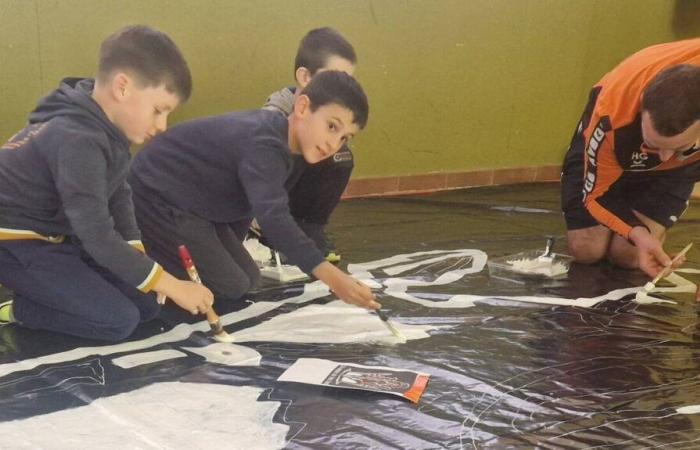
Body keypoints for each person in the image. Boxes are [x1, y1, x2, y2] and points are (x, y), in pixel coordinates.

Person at [0, 25, 214, 342]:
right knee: (116, 321)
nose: (162, 126)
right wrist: (169, 283)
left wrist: (141, 260)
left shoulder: (105, 129)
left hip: (56, 237)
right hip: (16, 243)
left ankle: (54, 294)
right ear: (123, 87)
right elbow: (96, 234)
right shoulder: (77, 137)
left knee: (145, 305)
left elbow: (118, 195)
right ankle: (18, 309)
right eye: (159, 110)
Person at [129, 70, 379, 310]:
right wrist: (334, 279)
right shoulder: (265, 144)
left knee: (248, 278)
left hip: (197, 205)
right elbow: (274, 218)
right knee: (231, 284)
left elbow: (246, 206)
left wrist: (227, 248)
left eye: (345, 137)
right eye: (332, 127)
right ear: (302, 108)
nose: (334, 144)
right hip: (157, 195)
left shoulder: (295, 149)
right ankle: (140, 262)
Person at [561, 38, 700, 288]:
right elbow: (595, 196)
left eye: (678, 148)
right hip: (616, 144)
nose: (663, 158)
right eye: (653, 144)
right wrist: (638, 232)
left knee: (629, 256)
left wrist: (640, 238)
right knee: (586, 249)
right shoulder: (611, 116)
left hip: (680, 169)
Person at [256, 27, 357, 264]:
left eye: (347, 81)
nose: (341, 90)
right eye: (333, 79)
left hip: (294, 206)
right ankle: (268, 232)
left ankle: (309, 227)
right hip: (261, 207)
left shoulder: (333, 115)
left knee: (341, 156)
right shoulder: (274, 116)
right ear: (304, 77)